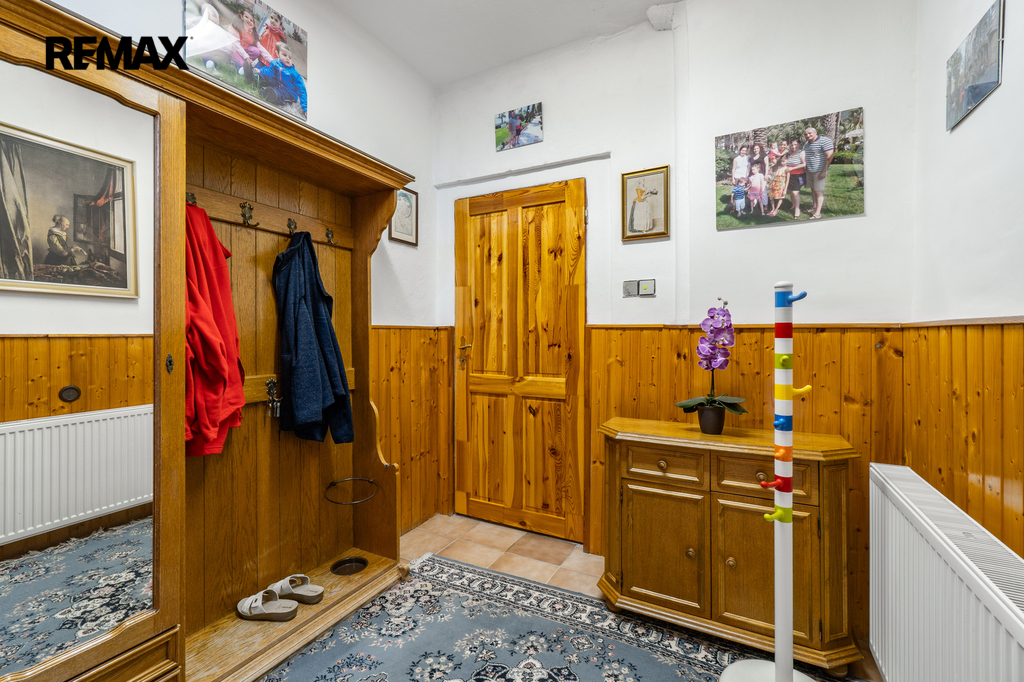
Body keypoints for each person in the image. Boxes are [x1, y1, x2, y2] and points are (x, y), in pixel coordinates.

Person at [255, 43, 307, 116]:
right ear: (277, 54)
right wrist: (260, 71)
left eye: (290, 57)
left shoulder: (294, 73)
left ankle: (271, 95)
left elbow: (302, 90)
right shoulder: (275, 63)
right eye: (284, 55)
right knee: (268, 78)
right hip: (278, 84)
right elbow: (269, 72)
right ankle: (254, 79)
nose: (287, 58)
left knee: (280, 93)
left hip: (289, 92)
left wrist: (306, 108)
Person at [802, 126, 835, 220]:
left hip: (819, 171)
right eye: (806, 134)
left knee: (818, 191)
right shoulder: (807, 144)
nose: (808, 135)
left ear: (816, 132)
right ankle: (814, 206)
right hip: (810, 170)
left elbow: (830, 155)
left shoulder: (824, 141)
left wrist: (824, 171)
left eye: (810, 133)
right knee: (813, 190)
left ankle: (817, 213)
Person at [785, 139, 806, 218]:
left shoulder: (801, 152)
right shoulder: (790, 153)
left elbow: (804, 164)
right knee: (791, 191)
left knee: (795, 192)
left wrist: (792, 168)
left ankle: (797, 209)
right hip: (789, 175)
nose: (793, 146)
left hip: (798, 175)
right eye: (792, 145)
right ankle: (793, 205)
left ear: (799, 144)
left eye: (795, 144)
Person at [768, 146, 790, 216]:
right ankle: (773, 208)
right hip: (774, 184)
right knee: (771, 197)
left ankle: (776, 210)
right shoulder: (779, 167)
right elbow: (774, 175)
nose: (782, 163)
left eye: (784, 161)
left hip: (781, 186)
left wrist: (785, 189)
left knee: (780, 198)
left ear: (787, 161)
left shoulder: (787, 169)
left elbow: (787, 180)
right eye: (781, 161)